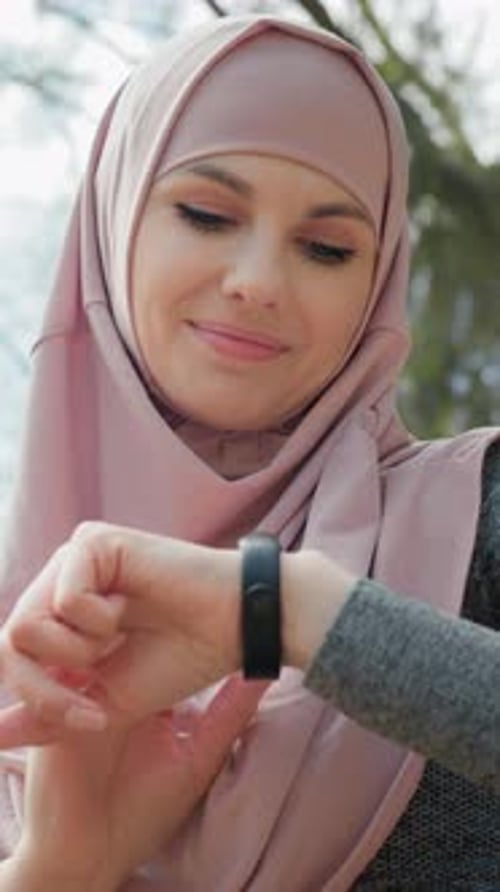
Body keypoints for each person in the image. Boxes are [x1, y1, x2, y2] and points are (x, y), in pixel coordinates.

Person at [0, 12, 498, 890]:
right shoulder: (25, 650)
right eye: (205, 213)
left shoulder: (476, 519)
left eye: (326, 247)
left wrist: (297, 612)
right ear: (114, 227)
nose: (259, 282)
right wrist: (62, 871)